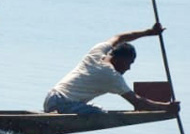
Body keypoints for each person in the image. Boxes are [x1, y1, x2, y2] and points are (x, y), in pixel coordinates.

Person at [43, 25, 182, 114]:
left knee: (93, 108)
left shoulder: (97, 51)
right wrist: (166, 107)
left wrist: (148, 32)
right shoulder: (112, 76)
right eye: (129, 63)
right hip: (63, 104)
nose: (128, 68)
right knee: (101, 114)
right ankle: (58, 113)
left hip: (51, 97)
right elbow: (137, 102)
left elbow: (119, 37)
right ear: (121, 59)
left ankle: (57, 111)